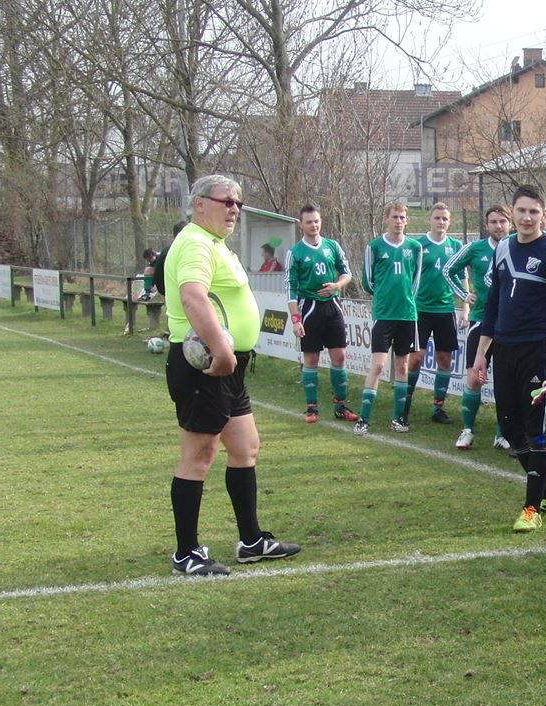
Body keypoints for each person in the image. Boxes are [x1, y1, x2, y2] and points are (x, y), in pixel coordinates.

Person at [163, 174, 300, 576]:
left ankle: (251, 540)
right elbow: (192, 297)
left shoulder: (213, 243)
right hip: (205, 367)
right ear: (199, 203)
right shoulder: (194, 242)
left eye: (238, 203)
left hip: (228, 368)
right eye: (226, 201)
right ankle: (186, 553)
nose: (234, 209)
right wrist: (221, 351)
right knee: (198, 456)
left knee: (245, 447)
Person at [467, 185, 546, 532]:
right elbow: (493, 305)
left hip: (539, 348)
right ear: (513, 213)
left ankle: (532, 509)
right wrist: (481, 354)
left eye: (534, 211)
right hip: (504, 348)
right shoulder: (503, 248)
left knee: (537, 430)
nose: (527, 218)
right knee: (511, 427)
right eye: (522, 211)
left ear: (544, 215)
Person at [446, 204, 512, 450]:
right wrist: (464, 294)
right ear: (487, 225)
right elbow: (448, 270)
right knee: (474, 377)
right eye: (493, 222)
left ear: (510, 223)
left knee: (505, 382)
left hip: (509, 324)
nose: (498, 226)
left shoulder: (516, 247)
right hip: (481, 321)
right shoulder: (475, 248)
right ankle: (467, 430)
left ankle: (502, 434)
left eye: (502, 221)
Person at [284, 204, 356, 424]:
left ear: (321, 221)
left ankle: (340, 406)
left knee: (339, 356)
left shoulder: (332, 246)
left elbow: (347, 273)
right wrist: (296, 320)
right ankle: (312, 408)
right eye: (309, 222)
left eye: (316, 221)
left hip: (332, 306)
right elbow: (290, 288)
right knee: (312, 359)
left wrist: (337, 285)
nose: (313, 225)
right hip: (309, 308)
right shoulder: (295, 253)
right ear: (301, 225)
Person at [358, 202, 423, 434]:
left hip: (407, 315)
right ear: (386, 218)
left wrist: (405, 300)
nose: (398, 221)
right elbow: (367, 282)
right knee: (378, 366)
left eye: (402, 217)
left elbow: (415, 282)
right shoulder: (375, 246)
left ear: (407, 220)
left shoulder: (415, 247)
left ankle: (398, 419)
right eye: (394, 217)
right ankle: (363, 419)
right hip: (384, 314)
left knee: (402, 366)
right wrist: (384, 296)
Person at [411, 203, 463, 425]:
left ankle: (438, 408)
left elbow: (462, 278)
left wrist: (466, 307)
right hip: (420, 309)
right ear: (430, 220)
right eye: (437, 218)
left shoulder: (456, 246)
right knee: (416, 358)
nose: (441, 222)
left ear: (449, 222)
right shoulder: (418, 245)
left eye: (445, 218)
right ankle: (405, 402)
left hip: (445, 310)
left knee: (444, 359)